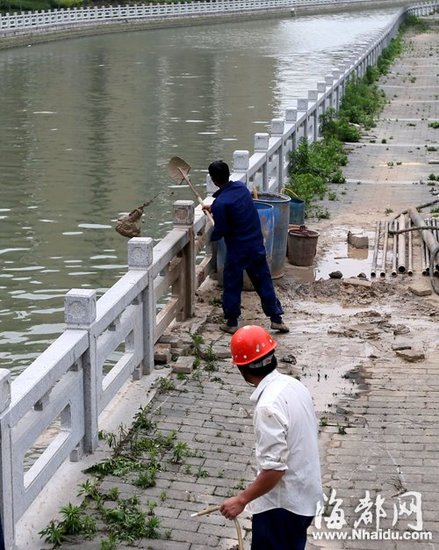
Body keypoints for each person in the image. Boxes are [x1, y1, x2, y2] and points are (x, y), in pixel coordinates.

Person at [220, 325, 322, 550]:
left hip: (281, 507)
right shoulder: (294, 385)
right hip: (305, 496)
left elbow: (275, 470)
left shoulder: (267, 407)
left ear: (243, 370)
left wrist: (241, 500)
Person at [203, 160, 289, 335]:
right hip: (256, 245)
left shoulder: (222, 204)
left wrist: (213, 227)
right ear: (228, 174)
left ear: (213, 180)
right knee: (263, 282)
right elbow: (236, 207)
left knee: (232, 284)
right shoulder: (242, 189)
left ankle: (232, 321)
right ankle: (276, 319)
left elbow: (221, 231)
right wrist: (214, 208)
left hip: (237, 249)